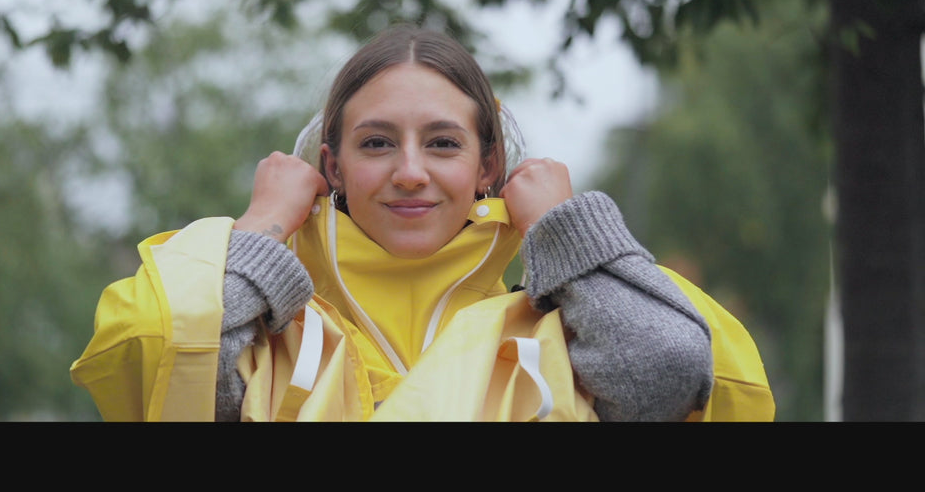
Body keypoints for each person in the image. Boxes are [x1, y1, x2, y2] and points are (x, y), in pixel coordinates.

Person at [71, 24, 775, 422]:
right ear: (334, 166)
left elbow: (673, 369)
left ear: (487, 165)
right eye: (377, 143)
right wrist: (260, 226)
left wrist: (565, 229)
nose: (410, 170)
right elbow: (148, 353)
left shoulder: (558, 336)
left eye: (442, 143)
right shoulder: (267, 337)